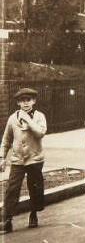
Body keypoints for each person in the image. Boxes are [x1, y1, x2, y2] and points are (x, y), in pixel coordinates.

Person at [1, 87, 47, 232]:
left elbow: (40, 133)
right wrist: (2, 157)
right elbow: (6, 139)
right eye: (22, 101)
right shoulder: (12, 118)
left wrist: (28, 121)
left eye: (28, 100)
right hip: (18, 160)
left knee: (35, 188)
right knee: (12, 189)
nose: (26, 103)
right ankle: (7, 220)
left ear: (34, 101)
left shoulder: (39, 116)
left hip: (35, 159)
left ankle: (33, 213)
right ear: (18, 103)